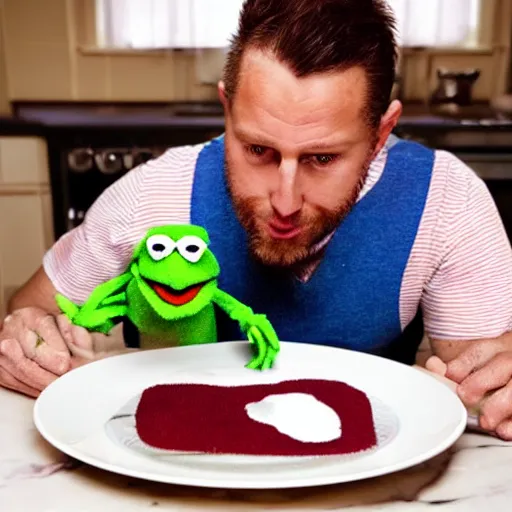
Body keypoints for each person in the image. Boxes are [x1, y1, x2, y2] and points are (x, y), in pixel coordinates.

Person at [2, 0, 512, 439]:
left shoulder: (448, 202)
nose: (284, 202)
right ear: (227, 109)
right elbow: (30, 310)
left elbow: (481, 377)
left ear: (381, 134)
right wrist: (27, 340)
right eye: (258, 149)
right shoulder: (151, 196)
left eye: (322, 159)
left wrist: (499, 386)